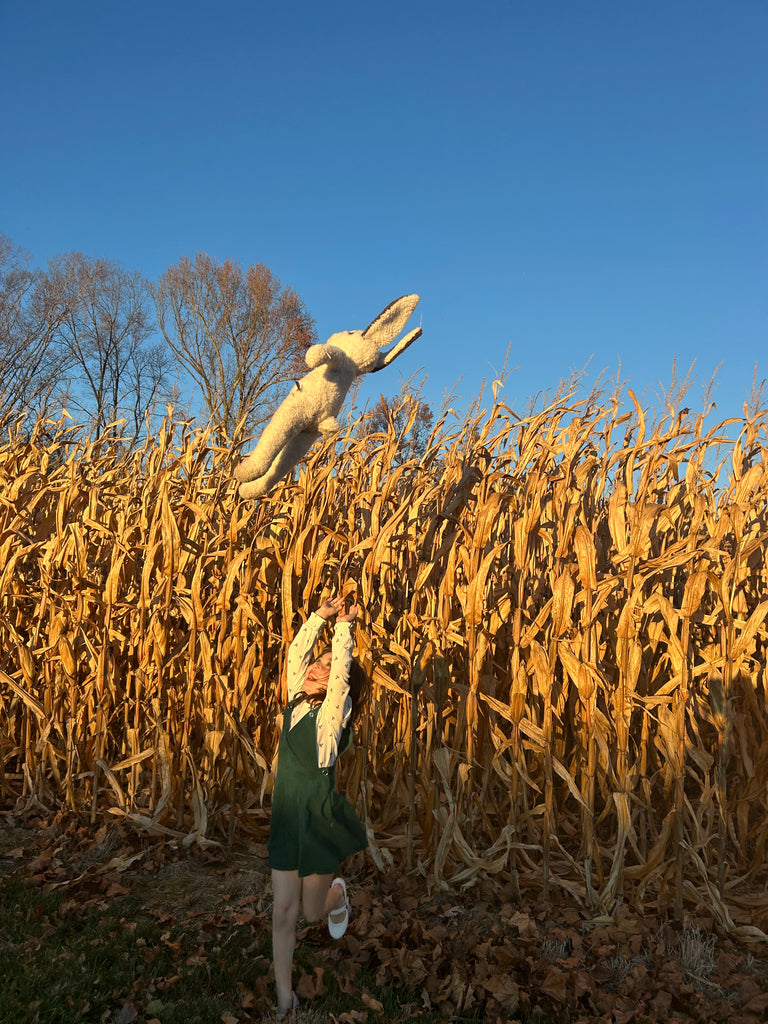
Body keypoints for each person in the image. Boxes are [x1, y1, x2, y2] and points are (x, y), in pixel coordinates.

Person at [268, 595, 369, 1020]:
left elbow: (342, 679)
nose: (318, 666)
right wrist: (318, 618)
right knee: (283, 913)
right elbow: (296, 655)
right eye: (319, 660)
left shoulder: (330, 719)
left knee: (311, 913)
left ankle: (336, 895)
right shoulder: (294, 702)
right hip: (287, 818)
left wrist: (343, 630)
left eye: (327, 666)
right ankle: (284, 999)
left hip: (318, 820)